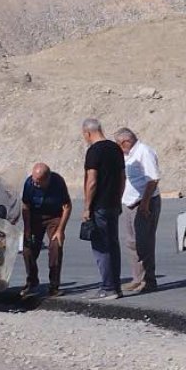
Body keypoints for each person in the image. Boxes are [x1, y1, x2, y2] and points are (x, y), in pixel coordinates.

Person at [81, 118, 125, 300]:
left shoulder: (94, 151)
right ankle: (116, 286)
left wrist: (86, 207)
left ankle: (108, 288)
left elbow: (92, 181)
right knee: (113, 245)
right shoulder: (116, 149)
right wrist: (119, 199)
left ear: (87, 133)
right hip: (114, 204)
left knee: (101, 247)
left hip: (99, 205)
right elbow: (123, 177)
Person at [114, 128, 161, 294]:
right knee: (131, 243)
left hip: (144, 202)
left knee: (144, 243)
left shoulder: (144, 152)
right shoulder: (127, 155)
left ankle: (149, 281)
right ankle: (137, 279)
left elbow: (153, 179)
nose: (118, 148)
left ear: (126, 142)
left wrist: (145, 204)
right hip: (129, 202)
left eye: (118, 145)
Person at [20, 163, 72, 297]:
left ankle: (54, 286)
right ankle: (32, 281)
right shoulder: (29, 183)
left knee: (55, 246)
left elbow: (67, 206)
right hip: (35, 216)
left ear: (47, 179)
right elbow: (25, 206)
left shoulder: (58, 182)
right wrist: (27, 229)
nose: (35, 184)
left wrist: (61, 230)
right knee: (28, 249)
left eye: (39, 182)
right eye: (34, 180)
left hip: (54, 217)